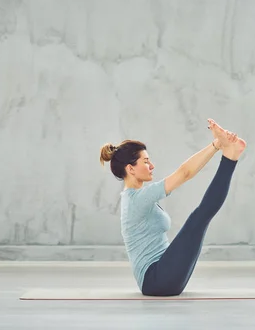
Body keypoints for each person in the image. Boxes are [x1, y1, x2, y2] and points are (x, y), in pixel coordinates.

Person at [99, 118, 246, 296]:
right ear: (130, 169)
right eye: (146, 161)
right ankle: (231, 157)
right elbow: (184, 173)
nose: (151, 166)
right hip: (156, 280)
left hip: (163, 277)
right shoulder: (137, 199)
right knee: (198, 219)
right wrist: (216, 145)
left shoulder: (136, 198)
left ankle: (230, 155)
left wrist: (218, 143)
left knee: (199, 220)